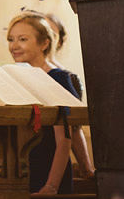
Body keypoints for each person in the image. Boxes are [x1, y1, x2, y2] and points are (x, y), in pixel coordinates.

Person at [7, 12, 79, 194]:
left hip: (50, 172)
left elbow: (64, 140)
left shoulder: (58, 78)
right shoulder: (19, 77)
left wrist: (51, 186)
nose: (14, 46)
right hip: (25, 172)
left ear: (44, 43)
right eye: (11, 39)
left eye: (22, 39)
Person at [39, 11, 94, 179]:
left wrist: (86, 168)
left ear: (58, 41)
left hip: (53, 154)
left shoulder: (64, 77)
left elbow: (74, 128)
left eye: (51, 32)